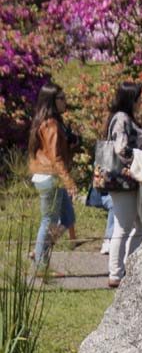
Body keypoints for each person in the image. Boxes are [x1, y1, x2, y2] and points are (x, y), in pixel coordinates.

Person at [100, 82, 142, 288]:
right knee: (123, 226)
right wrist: (138, 161)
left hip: (128, 181)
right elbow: (120, 148)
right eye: (139, 98)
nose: (141, 102)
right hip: (123, 180)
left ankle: (129, 268)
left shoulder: (124, 118)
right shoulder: (121, 119)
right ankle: (116, 273)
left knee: (139, 224)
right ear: (131, 99)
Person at [27, 82, 79, 268]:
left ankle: (39, 249)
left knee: (68, 218)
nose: (65, 101)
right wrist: (69, 182)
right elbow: (55, 157)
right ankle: (41, 265)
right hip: (50, 176)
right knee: (48, 220)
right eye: (61, 98)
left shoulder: (51, 122)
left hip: (51, 176)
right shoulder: (51, 124)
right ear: (52, 100)